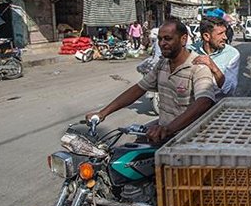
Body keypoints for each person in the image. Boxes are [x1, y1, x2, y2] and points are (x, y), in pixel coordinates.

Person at [86, 19, 215, 144]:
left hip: (186, 137)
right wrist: (103, 113)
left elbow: (204, 102)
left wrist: (168, 129)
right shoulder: (163, 64)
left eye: (168, 38)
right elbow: (138, 89)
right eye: (159, 39)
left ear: (183, 39)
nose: (162, 43)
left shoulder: (198, 67)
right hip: (163, 131)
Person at [187, 16, 240, 101]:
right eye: (220, 34)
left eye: (225, 33)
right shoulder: (189, 51)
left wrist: (213, 67)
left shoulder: (232, 54)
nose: (225, 37)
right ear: (206, 36)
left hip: (218, 107)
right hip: (193, 107)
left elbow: (229, 90)